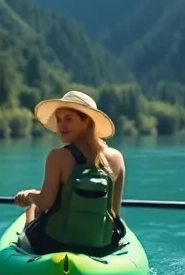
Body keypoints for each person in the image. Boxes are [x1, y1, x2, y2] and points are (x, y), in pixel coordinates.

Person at [13, 90, 126, 256]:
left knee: (34, 208)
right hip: (100, 247)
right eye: (59, 119)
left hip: (55, 244)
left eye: (69, 119)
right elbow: (114, 212)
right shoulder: (117, 158)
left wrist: (29, 196)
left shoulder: (58, 156)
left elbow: (45, 202)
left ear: (86, 122)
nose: (61, 125)